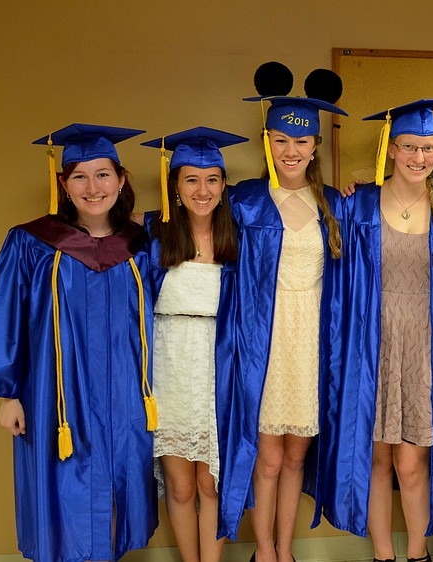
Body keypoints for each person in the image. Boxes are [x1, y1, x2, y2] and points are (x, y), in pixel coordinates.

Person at [312, 99, 433, 562]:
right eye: (410, 147)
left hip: (426, 350)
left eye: (429, 148)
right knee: (376, 459)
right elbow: (340, 286)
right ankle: (383, 555)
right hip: (372, 347)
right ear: (391, 149)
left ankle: (418, 554)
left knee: (412, 463)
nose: (420, 157)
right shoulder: (360, 205)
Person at [0, 124, 158, 562]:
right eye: (80, 177)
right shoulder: (31, 242)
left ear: (121, 180)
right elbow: (4, 316)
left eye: (103, 175)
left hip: (125, 392)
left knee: (119, 482)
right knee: (61, 492)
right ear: (63, 184)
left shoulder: (140, 245)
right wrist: (8, 394)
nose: (93, 188)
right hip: (53, 394)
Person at [217, 62, 347, 562]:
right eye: (281, 141)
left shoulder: (334, 204)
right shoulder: (244, 201)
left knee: (295, 457)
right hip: (265, 341)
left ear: (315, 146)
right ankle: (265, 551)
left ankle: (286, 550)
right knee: (268, 458)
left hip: (311, 341)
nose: (291, 151)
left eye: (301, 142)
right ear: (267, 141)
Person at [140, 127, 248, 562]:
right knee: (181, 486)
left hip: (219, 365)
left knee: (212, 483)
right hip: (169, 366)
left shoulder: (240, 235)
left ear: (223, 186)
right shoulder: (151, 232)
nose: (202, 191)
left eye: (212, 180)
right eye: (191, 180)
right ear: (176, 186)